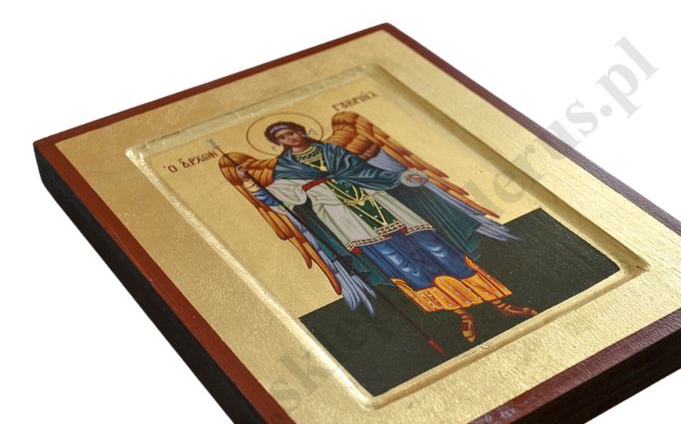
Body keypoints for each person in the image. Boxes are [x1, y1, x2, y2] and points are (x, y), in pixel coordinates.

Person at [228, 120, 536, 343]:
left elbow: (368, 172)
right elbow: (277, 200)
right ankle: (462, 314)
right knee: (401, 264)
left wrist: (401, 178)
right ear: (279, 143)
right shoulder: (285, 169)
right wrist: (249, 182)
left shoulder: (334, 152)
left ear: (301, 131)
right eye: (282, 137)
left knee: (439, 250)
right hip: (347, 220)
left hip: (381, 203)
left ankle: (500, 304)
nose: (289, 138)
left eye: (291, 132)